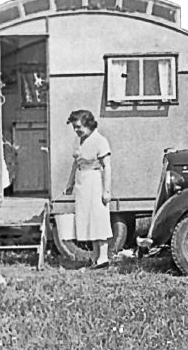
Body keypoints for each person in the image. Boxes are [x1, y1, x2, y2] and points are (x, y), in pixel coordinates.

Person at [63, 110, 113, 269]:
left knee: (99, 219)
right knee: (87, 219)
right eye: (74, 127)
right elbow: (76, 164)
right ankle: (95, 256)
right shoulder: (78, 141)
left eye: (78, 127)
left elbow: (107, 167)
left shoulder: (100, 141)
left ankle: (103, 258)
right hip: (82, 182)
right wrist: (69, 183)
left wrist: (106, 191)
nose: (76, 130)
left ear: (88, 124)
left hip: (95, 181)